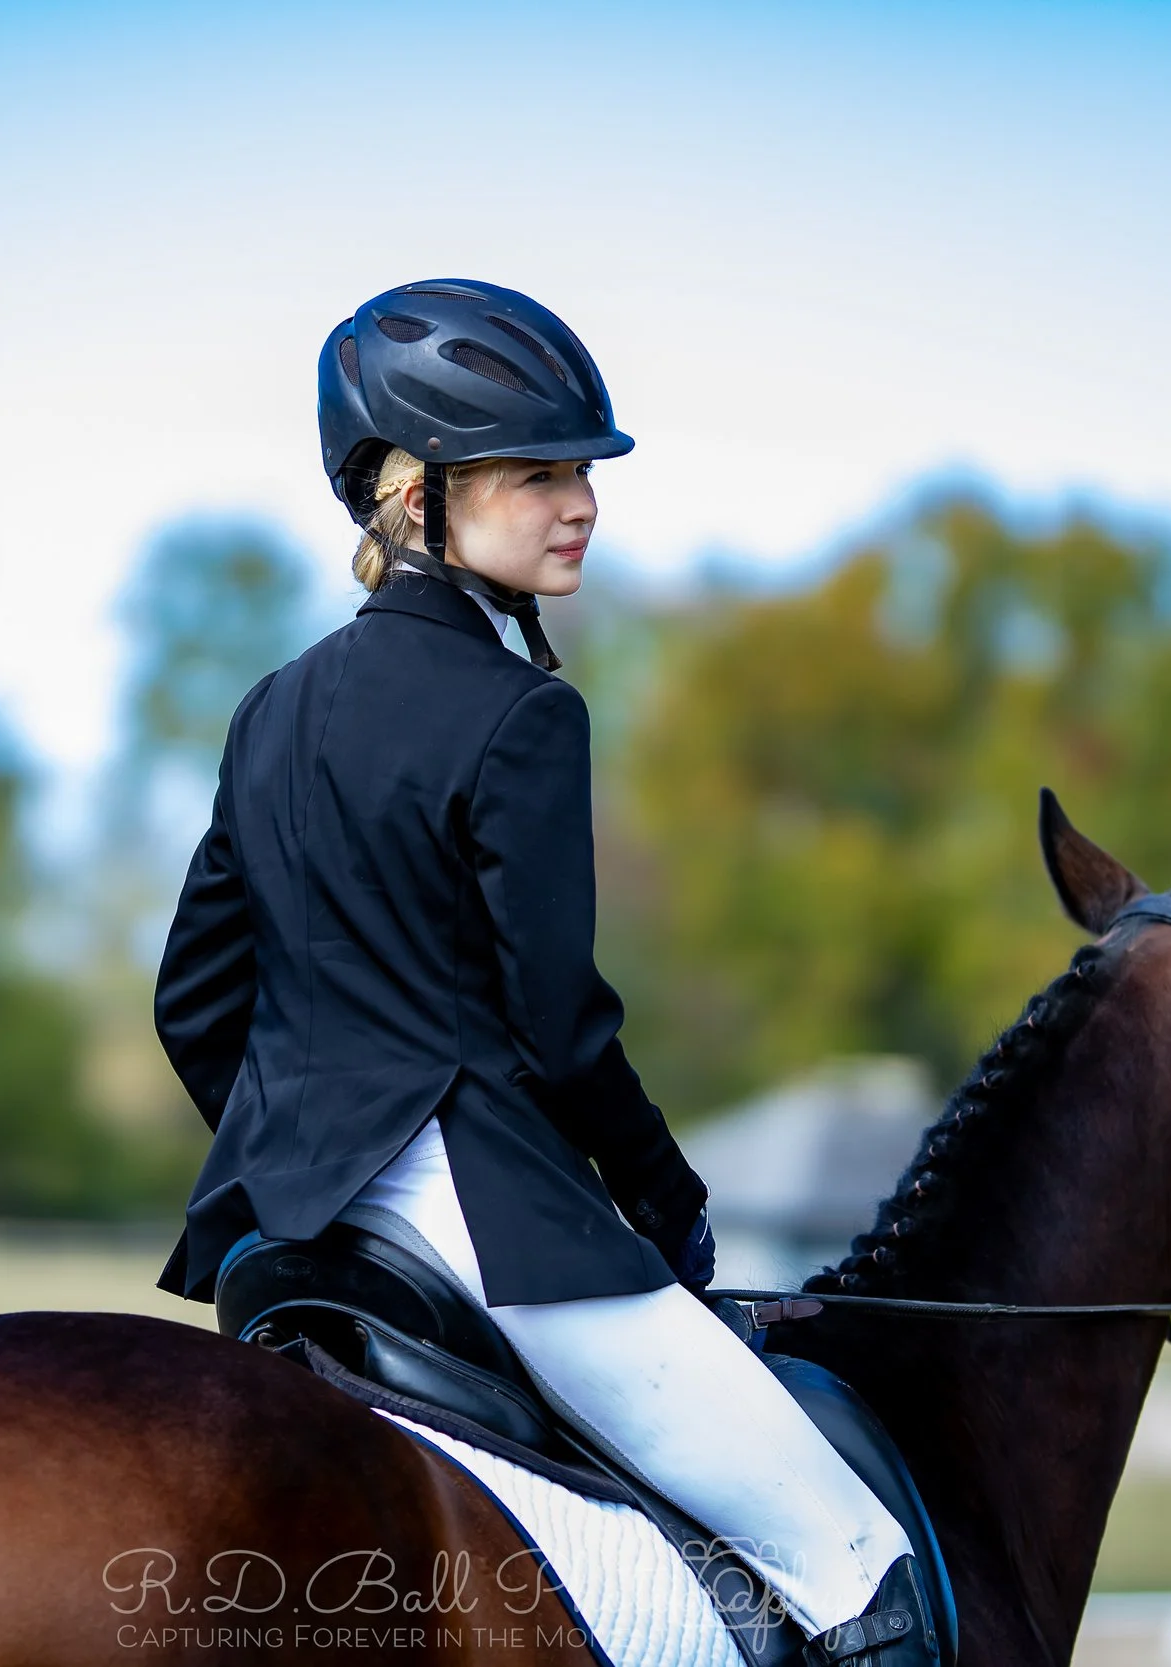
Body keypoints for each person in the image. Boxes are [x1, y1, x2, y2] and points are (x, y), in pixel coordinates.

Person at [153, 278, 934, 1667]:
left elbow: (195, 1001)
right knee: (857, 1554)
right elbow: (562, 1028)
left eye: (582, 470)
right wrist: (668, 1201)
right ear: (414, 496)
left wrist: (304, 1140)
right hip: (489, 1228)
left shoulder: (270, 709)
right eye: (536, 473)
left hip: (287, 1234)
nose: (580, 502)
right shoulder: (524, 712)